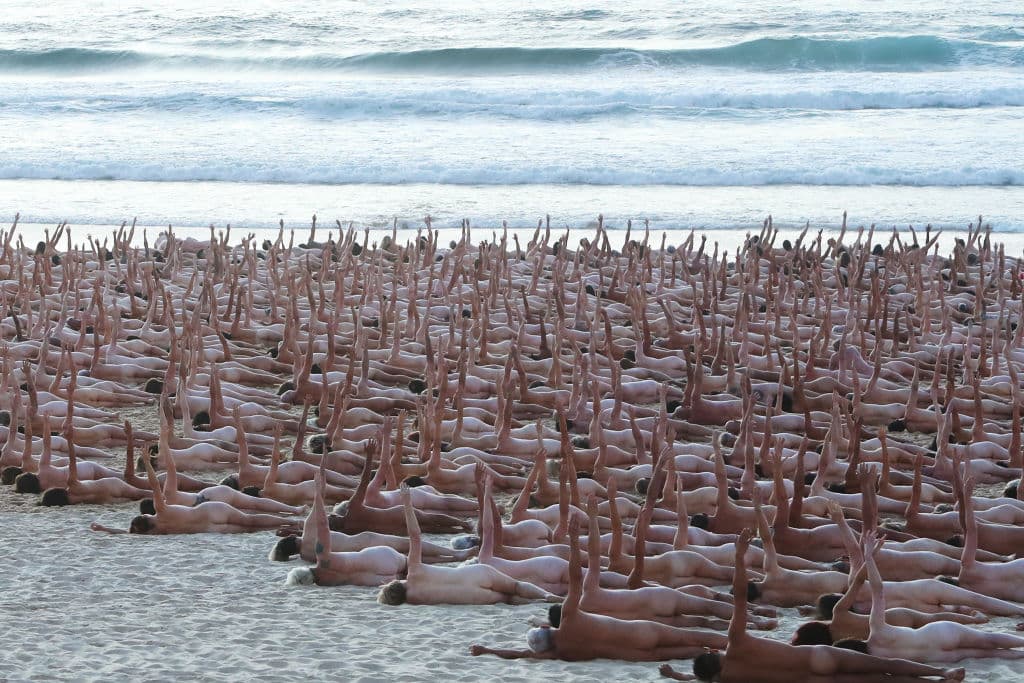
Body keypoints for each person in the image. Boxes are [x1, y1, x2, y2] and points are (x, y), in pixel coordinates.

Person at [376, 486, 555, 605]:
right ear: (397, 582)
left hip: (471, 597)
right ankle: (547, 596)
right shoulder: (414, 571)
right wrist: (407, 503)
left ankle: (538, 601)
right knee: (515, 586)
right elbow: (415, 535)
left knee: (509, 598)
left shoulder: (415, 599)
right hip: (474, 575)